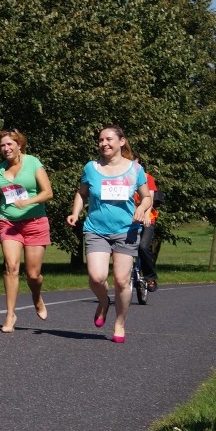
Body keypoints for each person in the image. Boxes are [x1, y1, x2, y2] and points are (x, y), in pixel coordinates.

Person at [66, 125, 151, 344]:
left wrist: (142, 209)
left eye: (109, 139)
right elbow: (81, 193)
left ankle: (120, 322)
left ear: (121, 141)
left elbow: (147, 196)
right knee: (96, 277)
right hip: (96, 229)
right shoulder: (91, 168)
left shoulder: (135, 169)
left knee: (122, 281)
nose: (103, 143)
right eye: (100, 140)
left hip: (127, 230)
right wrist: (75, 213)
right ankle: (103, 302)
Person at [0, 128, 53, 333]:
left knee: (33, 275)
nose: (6, 148)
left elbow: (48, 192)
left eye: (9, 144)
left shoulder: (33, 162)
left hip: (35, 222)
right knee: (11, 267)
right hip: (9, 223)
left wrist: (29, 201)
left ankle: (36, 296)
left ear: (19, 145)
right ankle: (10, 314)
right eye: (2, 145)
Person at [131, 151, 160, 292]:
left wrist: (147, 215)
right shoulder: (122, 178)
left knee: (143, 246)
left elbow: (150, 198)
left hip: (147, 218)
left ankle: (149, 276)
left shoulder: (147, 178)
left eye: (135, 163)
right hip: (130, 219)